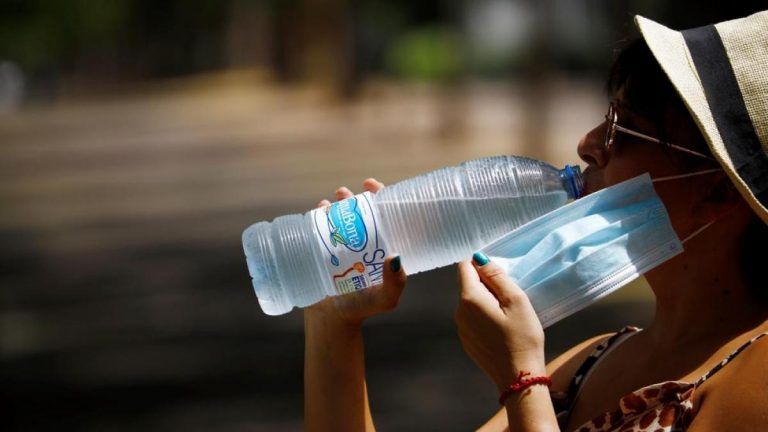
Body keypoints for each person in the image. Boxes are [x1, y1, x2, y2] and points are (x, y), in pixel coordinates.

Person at [304, 11, 768, 431]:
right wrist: (334, 324)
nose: (588, 144)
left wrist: (523, 383)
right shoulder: (595, 359)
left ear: (720, 189)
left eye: (624, 129)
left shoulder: (757, 379)